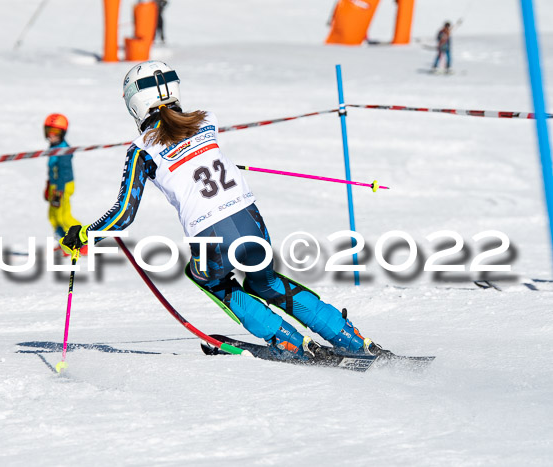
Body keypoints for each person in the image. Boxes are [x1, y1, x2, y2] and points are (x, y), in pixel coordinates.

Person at [60, 61, 388, 360]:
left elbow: (123, 215)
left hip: (210, 235)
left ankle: (286, 339)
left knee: (207, 277)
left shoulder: (141, 150)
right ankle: (349, 337)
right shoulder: (207, 121)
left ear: (134, 102)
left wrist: (83, 235)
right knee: (267, 283)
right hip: (250, 219)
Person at [43, 113, 81, 241]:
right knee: (52, 215)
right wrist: (49, 186)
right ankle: (63, 240)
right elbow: (53, 170)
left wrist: (59, 190)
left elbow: (63, 172)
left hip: (63, 185)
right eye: (49, 131)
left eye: (55, 132)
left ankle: (82, 240)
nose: (51, 135)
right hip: (55, 186)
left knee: (64, 217)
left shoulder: (63, 150)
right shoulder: (54, 147)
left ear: (62, 133)